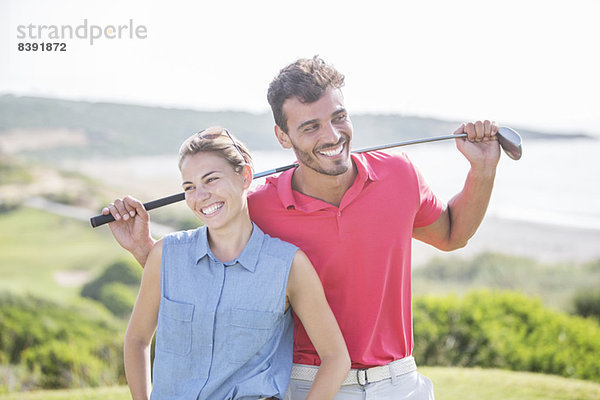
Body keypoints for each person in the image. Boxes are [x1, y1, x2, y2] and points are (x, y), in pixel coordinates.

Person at [105, 56, 501, 399]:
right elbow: (208, 282)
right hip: (304, 383)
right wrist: (145, 250)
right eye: (310, 127)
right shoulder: (257, 204)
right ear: (282, 136)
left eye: (339, 118)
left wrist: (482, 169)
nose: (331, 136)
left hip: (397, 382)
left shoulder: (399, 174)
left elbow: (452, 235)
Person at [122, 126, 350, 400]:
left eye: (211, 179)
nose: (201, 195)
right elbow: (136, 341)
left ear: (245, 177)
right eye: (189, 187)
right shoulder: (164, 255)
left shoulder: (288, 265)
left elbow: (336, 357)